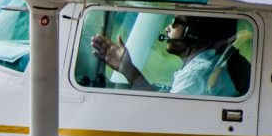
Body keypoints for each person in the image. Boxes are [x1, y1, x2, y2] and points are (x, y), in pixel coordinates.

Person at [91, 15, 240, 96]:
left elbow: (164, 115)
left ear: (192, 33)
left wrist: (129, 70)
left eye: (176, 22)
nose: (168, 28)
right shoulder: (204, 66)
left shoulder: (196, 75)